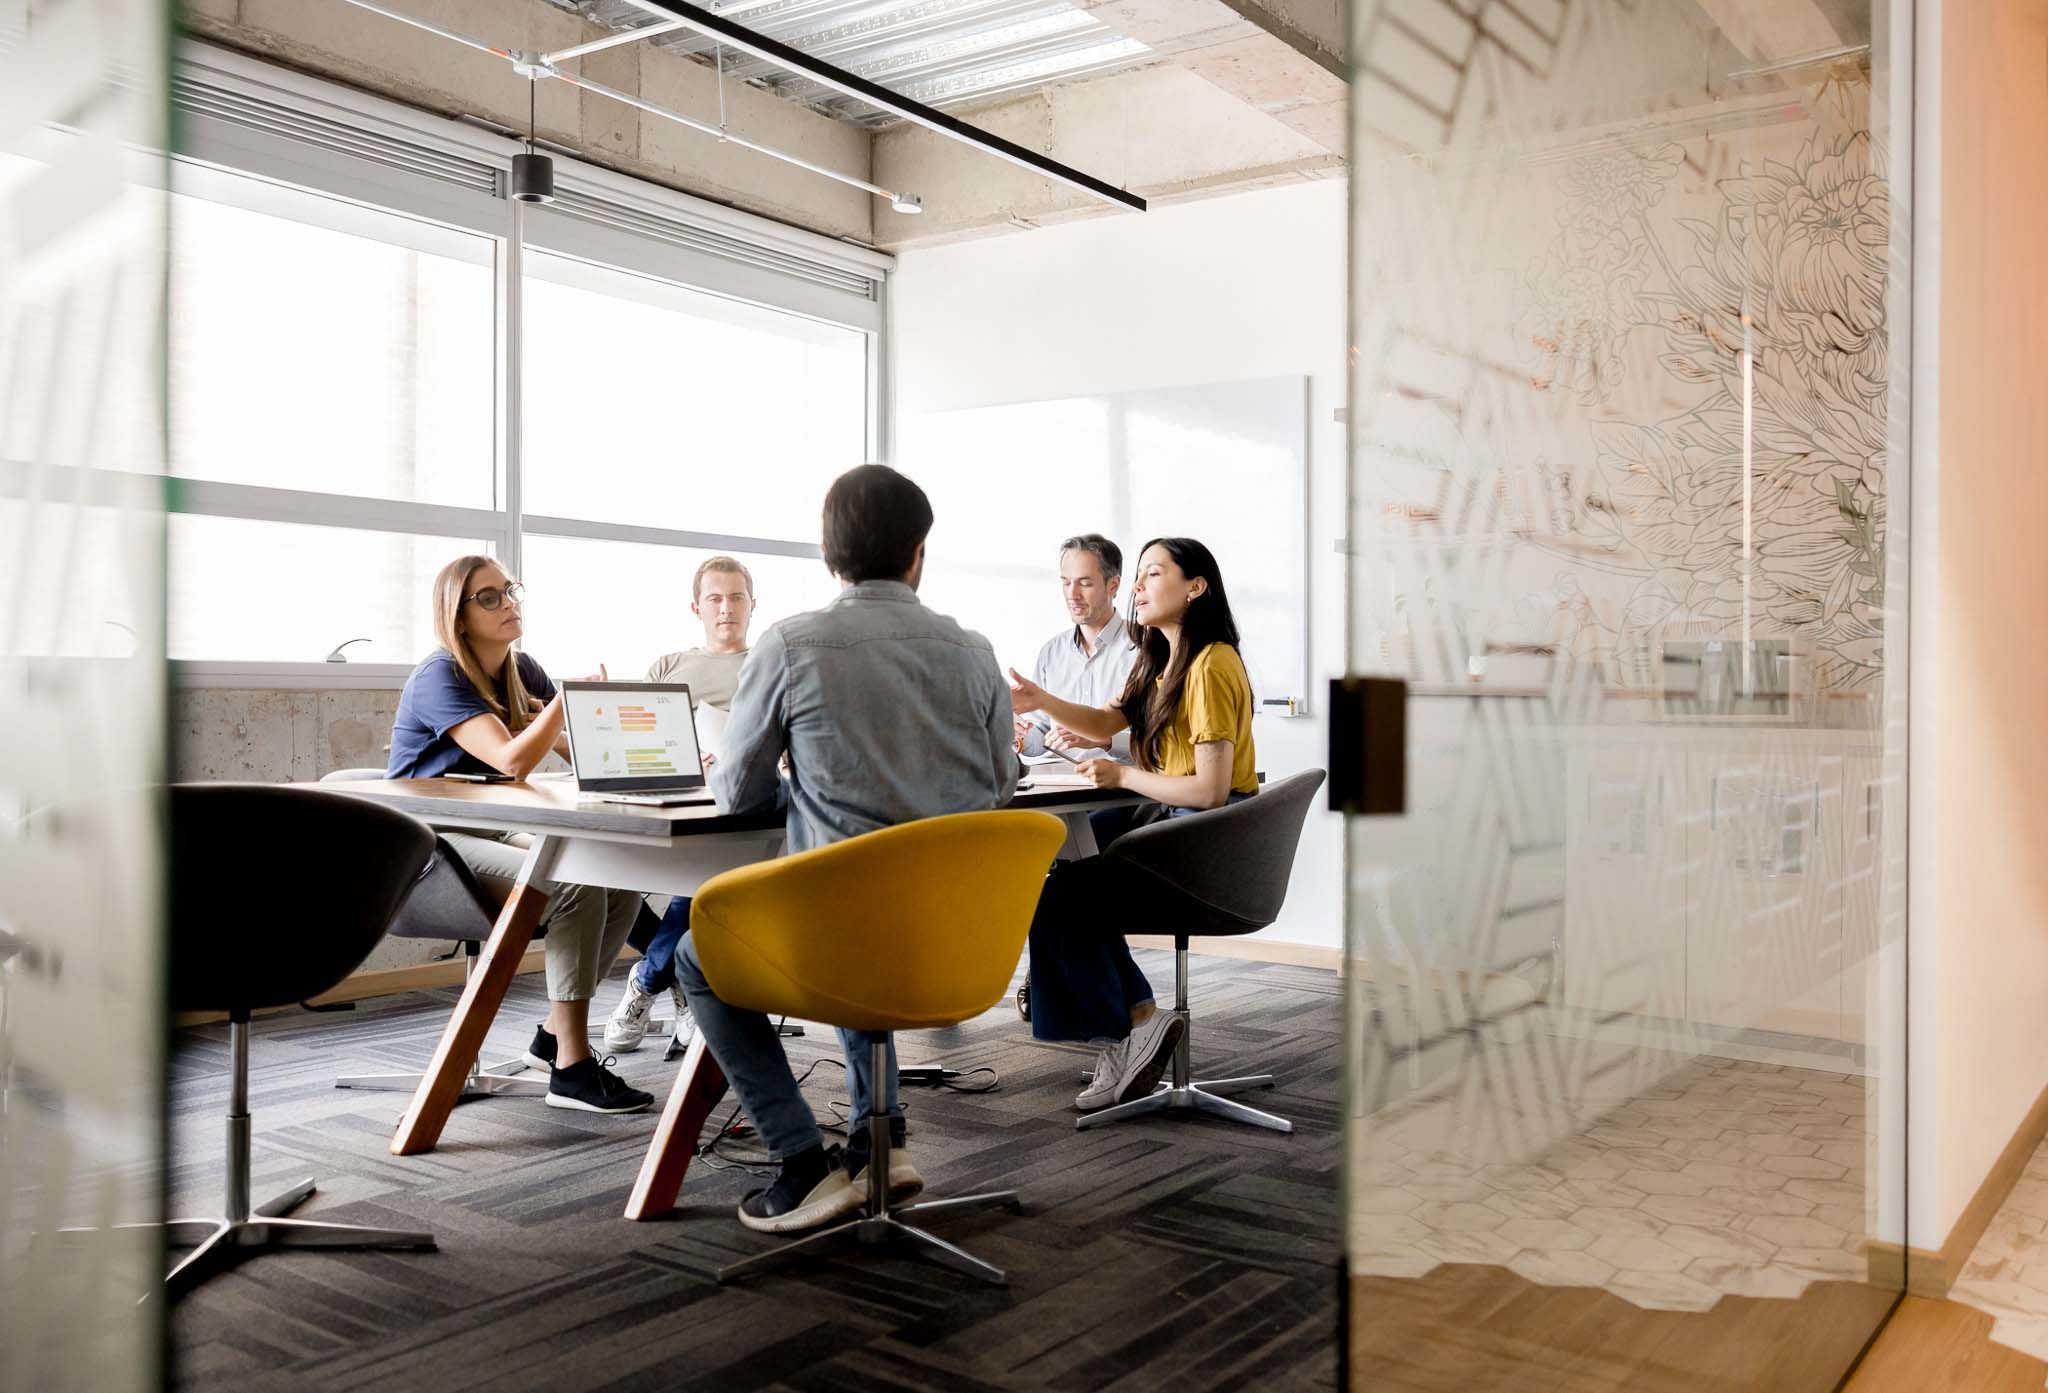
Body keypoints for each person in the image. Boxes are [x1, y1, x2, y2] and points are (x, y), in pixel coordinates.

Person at [674, 464, 1020, 1235]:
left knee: (698, 956)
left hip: (842, 941)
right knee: (874, 901)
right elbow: (1002, 787)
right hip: (957, 940)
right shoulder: (975, 650)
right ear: (919, 552)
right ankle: (883, 1143)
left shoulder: (791, 643)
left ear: (830, 556)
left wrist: (808, 778)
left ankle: (802, 1161)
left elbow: (735, 793)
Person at [386, 555, 654, 1115]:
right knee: (575, 883)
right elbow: (511, 762)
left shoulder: (519, 667)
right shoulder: (441, 675)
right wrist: (562, 702)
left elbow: (575, 754)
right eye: (489, 597)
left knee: (615, 869)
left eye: (509, 591)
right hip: (428, 842)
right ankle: (573, 1068)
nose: (508, 603)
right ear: (458, 617)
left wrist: (646, 754)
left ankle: (555, 1037)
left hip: (493, 823)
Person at [1005, 537, 1258, 1114]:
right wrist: (1039, 698)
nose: (1137, 586)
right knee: (1055, 885)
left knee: (1065, 893)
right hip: (1176, 823)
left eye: (1151, 574)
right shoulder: (1159, 659)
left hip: (1207, 840)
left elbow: (1210, 790)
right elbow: (1101, 721)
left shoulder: (1212, 664)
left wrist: (1121, 778)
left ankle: (1128, 1029)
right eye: (1138, 575)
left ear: (1195, 588)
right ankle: (1135, 1023)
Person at [604, 556, 758, 1054]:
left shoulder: (769, 665)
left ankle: (646, 983)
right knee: (604, 873)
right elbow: (641, 744)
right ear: (697, 607)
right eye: (715, 598)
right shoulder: (668, 667)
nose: (726, 608)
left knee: (701, 883)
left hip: (744, 809)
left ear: (752, 604)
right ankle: (681, 986)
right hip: (675, 797)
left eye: (736, 597)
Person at [1016, 533, 1138, 764]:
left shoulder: (1144, 648)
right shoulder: (1052, 653)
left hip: (1126, 789)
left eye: (1085, 583)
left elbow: (1166, 743)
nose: (1072, 594)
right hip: (1063, 789)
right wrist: (1017, 735)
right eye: (1066, 582)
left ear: (1113, 585)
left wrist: (1105, 739)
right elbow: (1041, 736)